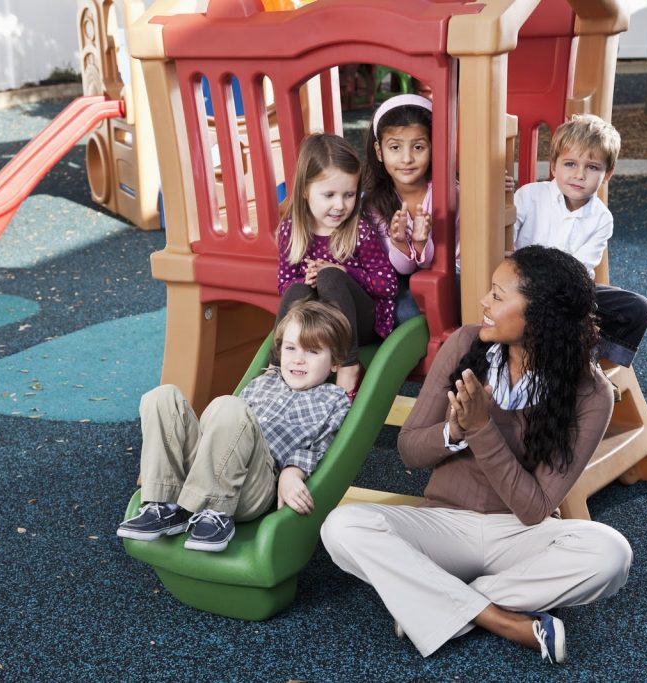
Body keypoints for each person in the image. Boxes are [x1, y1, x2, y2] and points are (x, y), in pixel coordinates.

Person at [321, 245, 633, 663]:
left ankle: (434, 600)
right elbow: (409, 451)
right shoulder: (466, 343)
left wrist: (483, 428)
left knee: (611, 554)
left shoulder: (591, 393)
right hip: (442, 525)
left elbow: (534, 508)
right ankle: (503, 619)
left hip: (520, 535)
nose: (484, 303)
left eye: (498, 296)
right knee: (341, 527)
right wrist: (453, 430)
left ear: (540, 316)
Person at [117, 300, 352, 553]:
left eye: (313, 352)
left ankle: (217, 514)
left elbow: (322, 446)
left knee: (230, 407)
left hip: (251, 487)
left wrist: (291, 472)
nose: (298, 359)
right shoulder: (261, 383)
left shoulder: (332, 399)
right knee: (162, 397)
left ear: (336, 363)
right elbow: (224, 431)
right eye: (291, 348)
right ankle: (163, 505)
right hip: (205, 471)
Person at [513, 113, 647, 367]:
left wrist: (561, 289)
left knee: (638, 308)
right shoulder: (529, 197)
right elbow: (507, 248)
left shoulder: (601, 219)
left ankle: (590, 363)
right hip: (521, 287)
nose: (579, 175)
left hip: (566, 294)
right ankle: (569, 361)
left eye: (592, 167)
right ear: (553, 166)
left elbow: (577, 273)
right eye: (570, 164)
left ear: (607, 175)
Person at [362, 93, 512, 324]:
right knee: (398, 311)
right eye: (395, 147)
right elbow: (402, 269)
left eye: (418, 147)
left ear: (434, 148)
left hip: (457, 271)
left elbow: (480, 205)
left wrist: (491, 187)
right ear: (379, 151)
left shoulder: (449, 191)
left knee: (446, 306)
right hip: (408, 277)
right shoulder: (376, 204)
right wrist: (401, 243)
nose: (407, 158)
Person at [275, 132, 398, 399]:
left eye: (349, 195)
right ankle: (276, 367)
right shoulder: (291, 230)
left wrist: (345, 272)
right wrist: (304, 282)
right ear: (306, 191)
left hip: (360, 323)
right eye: (329, 195)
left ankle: (349, 364)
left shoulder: (359, 231)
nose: (340, 205)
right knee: (295, 292)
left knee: (330, 276)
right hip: (320, 324)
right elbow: (283, 283)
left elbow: (388, 284)